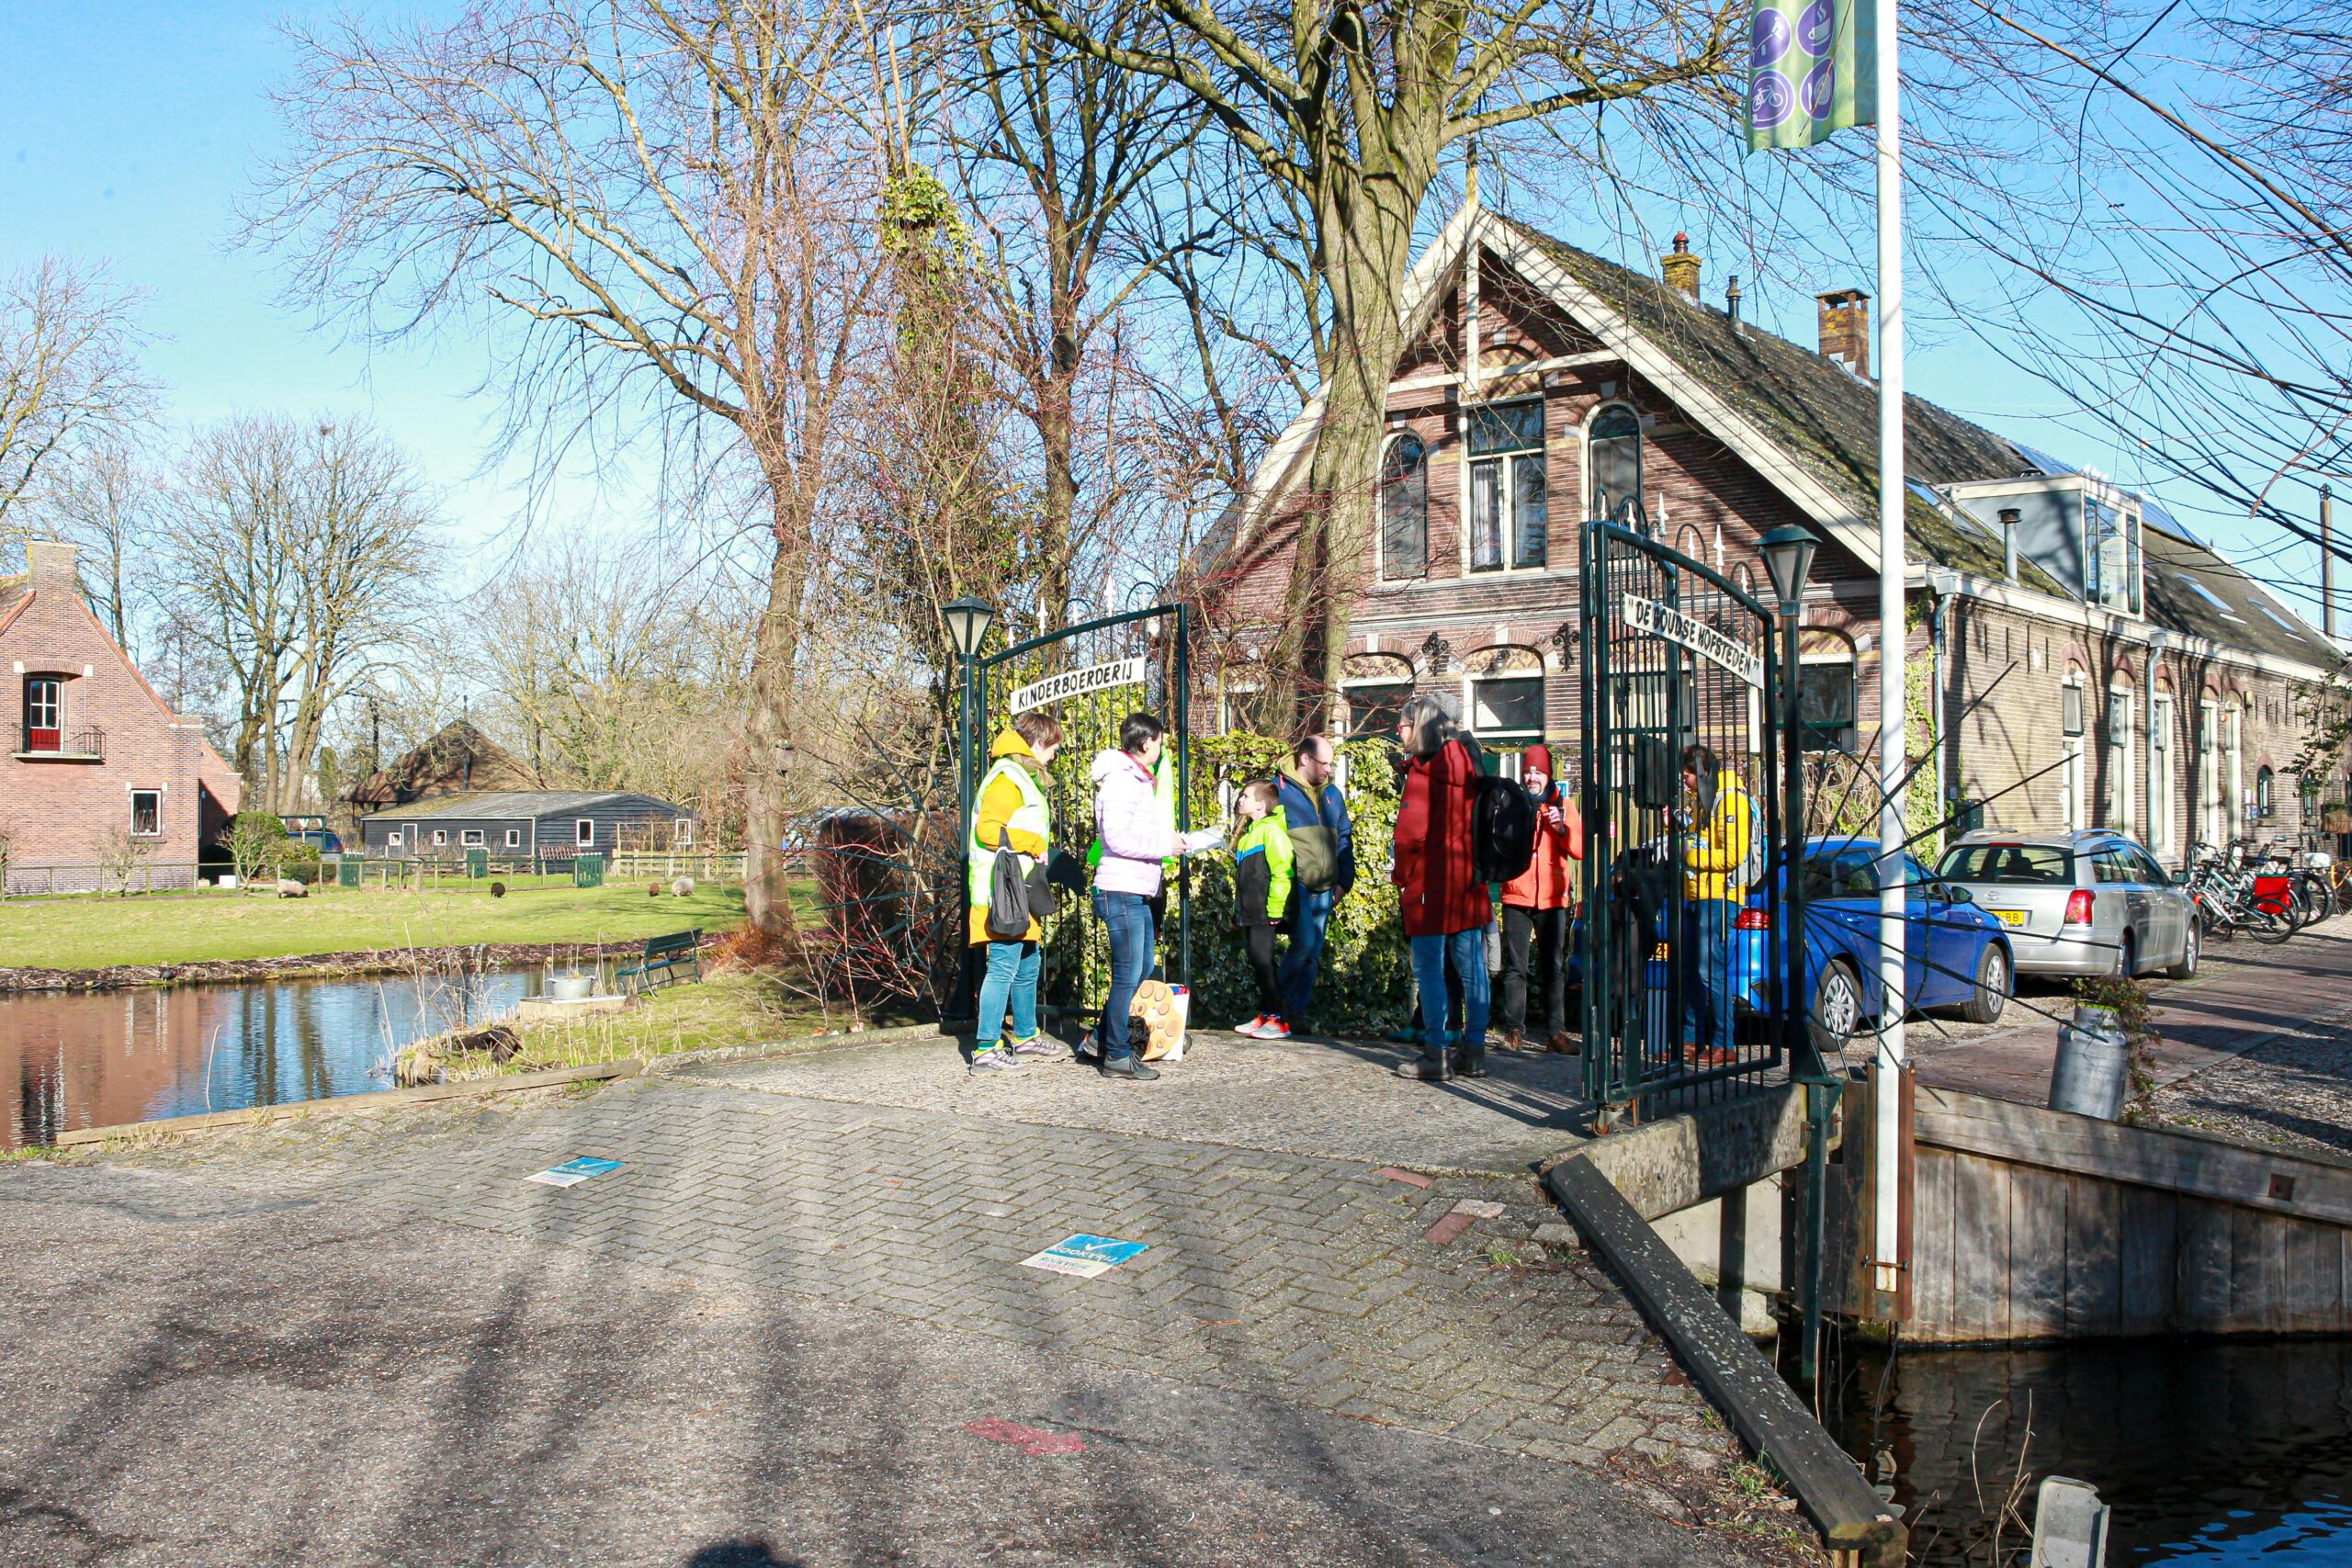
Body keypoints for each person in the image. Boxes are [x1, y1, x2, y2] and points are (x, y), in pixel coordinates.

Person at [1084, 712, 1221, 1079]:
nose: (1162, 748)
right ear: (1146, 743)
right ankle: (1115, 1054)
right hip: (1122, 889)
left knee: (1142, 968)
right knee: (1128, 975)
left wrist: (1173, 842)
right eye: (1160, 741)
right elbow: (1116, 838)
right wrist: (1164, 844)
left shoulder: (1137, 779)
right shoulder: (1121, 781)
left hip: (1137, 890)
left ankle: (1100, 1039)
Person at [1391, 694, 1491, 1080]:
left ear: (1417, 727)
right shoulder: (1468, 763)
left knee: (1429, 968)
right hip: (1468, 880)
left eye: (1402, 724)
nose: (1398, 731)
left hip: (1431, 884)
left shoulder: (1423, 772)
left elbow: (1408, 838)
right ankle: (1475, 1051)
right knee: (1473, 969)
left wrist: (1401, 877)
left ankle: (1436, 1053)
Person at [965, 711, 1063, 1075]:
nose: (1053, 756)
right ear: (1037, 744)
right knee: (1004, 965)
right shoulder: (1008, 778)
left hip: (1020, 888)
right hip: (1002, 891)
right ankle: (986, 1048)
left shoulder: (1020, 774)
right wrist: (1032, 842)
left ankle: (1024, 1036)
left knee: (1027, 962)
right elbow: (989, 830)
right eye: (1052, 748)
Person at [1498, 744, 1584, 1053]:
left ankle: (1555, 1033)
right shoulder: (1512, 804)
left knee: (1553, 966)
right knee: (1516, 968)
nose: (1532, 776)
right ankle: (1514, 1031)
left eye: (1538, 771)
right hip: (1517, 895)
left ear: (1548, 774)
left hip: (1552, 898)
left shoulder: (1565, 805)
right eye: (1528, 771)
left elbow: (1579, 850)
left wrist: (1560, 829)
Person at [1273, 735, 1354, 1032]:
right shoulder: (1279, 790)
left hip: (1326, 885)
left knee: (1314, 950)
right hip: (1298, 883)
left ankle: (1295, 1011)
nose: (1329, 770)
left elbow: (1344, 837)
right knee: (1304, 941)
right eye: (1325, 763)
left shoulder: (1333, 794)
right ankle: (1276, 1004)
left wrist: (1345, 881)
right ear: (1304, 759)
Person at [1680, 742, 1754, 1068]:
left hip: (1720, 896)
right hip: (1698, 893)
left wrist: (1690, 856)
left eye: (1689, 773)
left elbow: (1733, 855)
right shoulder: (1704, 802)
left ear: (1705, 771)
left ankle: (1724, 1043)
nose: (1684, 779)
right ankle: (1690, 1040)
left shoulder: (1730, 801)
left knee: (1711, 970)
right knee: (1693, 971)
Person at [1229, 779, 1296, 1039]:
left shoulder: (1272, 832)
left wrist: (1275, 911)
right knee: (1258, 963)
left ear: (1261, 804)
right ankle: (1268, 1015)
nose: (1240, 800)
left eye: (1246, 796)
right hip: (1251, 912)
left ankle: (1279, 1020)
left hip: (1265, 912)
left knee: (1263, 961)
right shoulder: (1249, 836)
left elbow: (1282, 872)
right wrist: (1239, 914)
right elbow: (1245, 880)